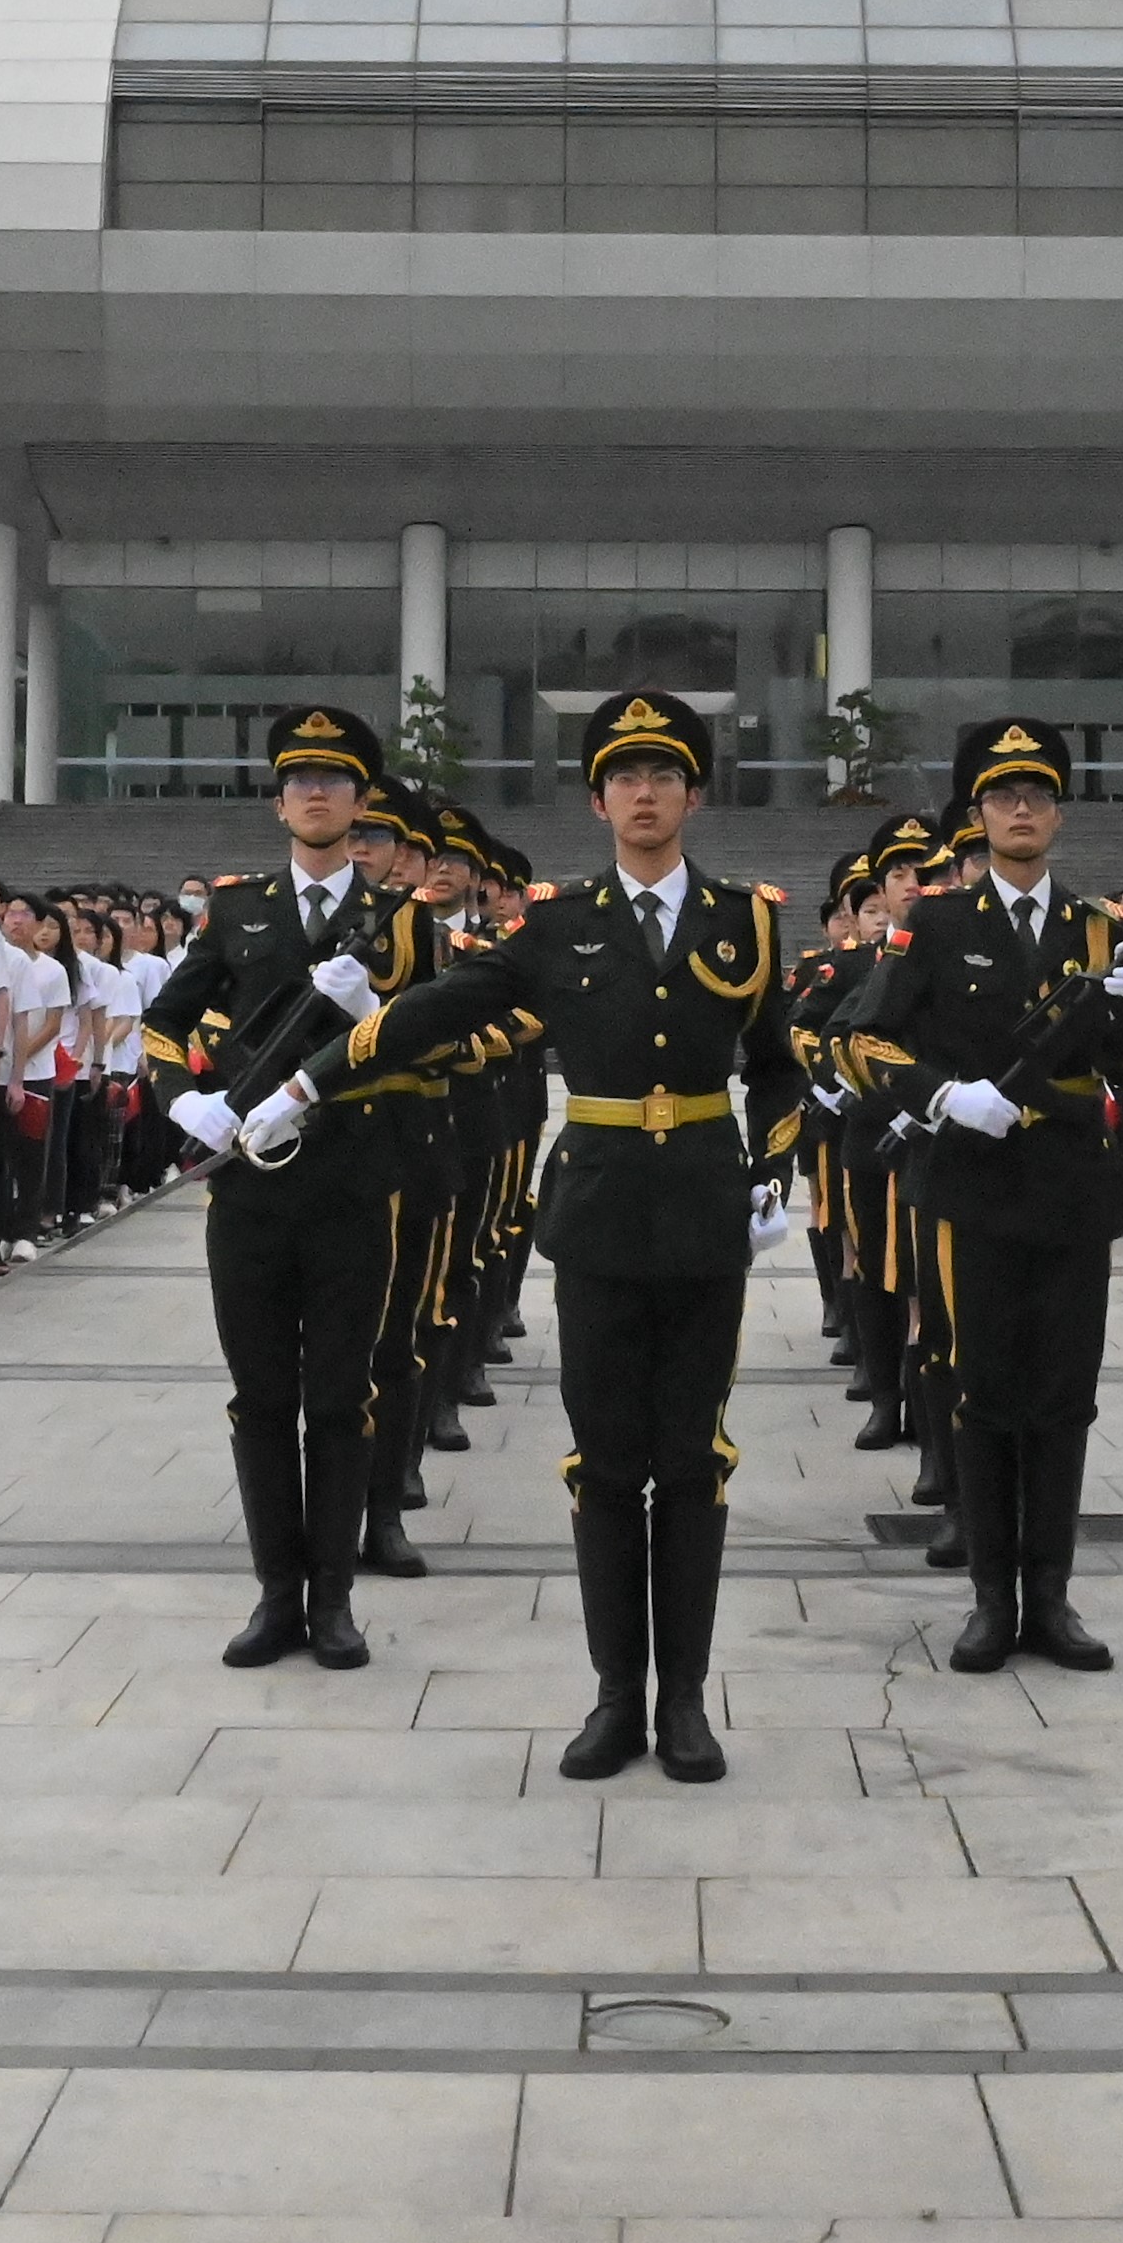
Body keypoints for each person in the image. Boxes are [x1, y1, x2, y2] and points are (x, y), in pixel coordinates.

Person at [322, 690, 805, 1777]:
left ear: (694, 792)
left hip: (704, 1215)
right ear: (597, 799)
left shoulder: (748, 919)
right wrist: (323, 1065)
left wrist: (773, 1165)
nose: (645, 792)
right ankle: (611, 1696)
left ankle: (684, 1698)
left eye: (665, 774)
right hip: (594, 1213)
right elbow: (446, 1006)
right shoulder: (556, 924)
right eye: (626, 776)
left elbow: (776, 1062)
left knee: (693, 1458)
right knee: (604, 1461)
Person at [834, 717, 1123, 1673]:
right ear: (977, 817)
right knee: (980, 1386)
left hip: (1067, 1185)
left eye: (1039, 796)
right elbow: (864, 1040)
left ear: (1058, 813)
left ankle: (1050, 1594)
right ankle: (988, 1594)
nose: (1023, 810)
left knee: (1065, 1392)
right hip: (969, 1185)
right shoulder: (932, 922)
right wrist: (940, 1095)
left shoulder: (1097, 927)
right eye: (1004, 797)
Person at [143, 712, 450, 1664]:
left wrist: (378, 1012)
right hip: (249, 1189)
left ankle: (333, 1598)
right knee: (261, 1395)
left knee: (339, 1395)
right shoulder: (235, 910)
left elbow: (438, 1048)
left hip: (353, 1181)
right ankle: (277, 1593)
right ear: (280, 801)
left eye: (335, 780)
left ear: (361, 807)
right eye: (300, 779)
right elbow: (162, 1022)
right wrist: (181, 1101)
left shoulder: (403, 918)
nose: (317, 793)